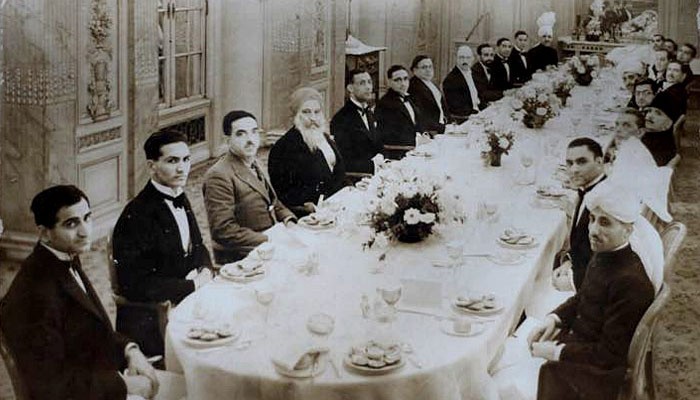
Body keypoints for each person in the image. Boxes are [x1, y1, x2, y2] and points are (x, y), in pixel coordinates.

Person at [493, 183, 655, 400]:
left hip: (595, 375)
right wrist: (554, 319)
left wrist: (556, 351)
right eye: (592, 219)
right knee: (502, 353)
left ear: (628, 230)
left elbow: (609, 355)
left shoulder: (630, 282)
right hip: (579, 345)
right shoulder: (606, 255)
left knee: (498, 379)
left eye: (605, 222)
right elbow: (583, 297)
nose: (594, 230)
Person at [0, 185, 159, 400]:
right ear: (45, 233)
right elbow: (50, 386)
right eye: (71, 224)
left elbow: (93, 331)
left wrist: (130, 350)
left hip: (95, 379)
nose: (85, 232)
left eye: (87, 218)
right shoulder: (36, 293)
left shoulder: (62, 256)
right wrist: (123, 386)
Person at [112, 130, 213, 356]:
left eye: (186, 159)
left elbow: (197, 246)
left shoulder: (179, 195)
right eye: (172, 161)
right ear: (152, 166)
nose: (182, 168)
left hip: (188, 301)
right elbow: (134, 284)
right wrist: (192, 286)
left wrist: (206, 269)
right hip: (154, 318)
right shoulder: (137, 214)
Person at [203, 111, 296, 264]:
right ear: (228, 140)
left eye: (254, 132)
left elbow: (273, 202)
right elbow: (224, 231)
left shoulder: (253, 162)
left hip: (269, 243)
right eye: (241, 134)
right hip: (245, 256)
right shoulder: (218, 175)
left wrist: (289, 220)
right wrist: (269, 238)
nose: (250, 139)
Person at [268, 87, 346, 216]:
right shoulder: (283, 147)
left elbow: (339, 172)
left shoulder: (324, 137)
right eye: (306, 112)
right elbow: (282, 193)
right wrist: (304, 205)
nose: (313, 118)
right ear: (296, 115)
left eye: (317, 112)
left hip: (337, 205)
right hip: (309, 214)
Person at [552, 138, 607, 293]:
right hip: (583, 267)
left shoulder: (605, 200)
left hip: (598, 287)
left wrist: (574, 281)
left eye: (581, 162)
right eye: (569, 163)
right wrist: (569, 261)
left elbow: (610, 259)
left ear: (599, 162)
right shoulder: (589, 190)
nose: (574, 169)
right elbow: (583, 244)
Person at [331, 68, 383, 175]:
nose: (368, 87)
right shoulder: (341, 119)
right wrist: (373, 166)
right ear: (350, 88)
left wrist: (382, 157)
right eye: (362, 83)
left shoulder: (369, 111)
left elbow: (378, 144)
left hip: (379, 171)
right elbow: (345, 161)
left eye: (369, 82)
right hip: (359, 177)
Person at [375, 65, 424, 159]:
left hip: (414, 149)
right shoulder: (385, 104)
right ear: (389, 82)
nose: (403, 83)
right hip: (398, 153)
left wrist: (423, 134)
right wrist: (417, 140)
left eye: (405, 79)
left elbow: (417, 122)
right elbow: (389, 135)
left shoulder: (410, 98)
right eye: (398, 80)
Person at [408, 55, 449, 135]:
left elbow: (442, 107)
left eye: (430, 67)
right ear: (415, 70)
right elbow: (420, 116)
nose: (428, 70)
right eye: (424, 67)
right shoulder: (413, 87)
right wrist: (443, 128)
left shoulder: (431, 84)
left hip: (442, 126)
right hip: (430, 131)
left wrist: (449, 123)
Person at [443, 45, 483, 123]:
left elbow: (479, 97)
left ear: (472, 59)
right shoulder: (451, 80)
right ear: (456, 59)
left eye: (468, 58)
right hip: (465, 118)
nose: (465, 61)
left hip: (477, 113)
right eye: (461, 57)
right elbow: (456, 107)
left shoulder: (473, 74)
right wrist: (477, 114)